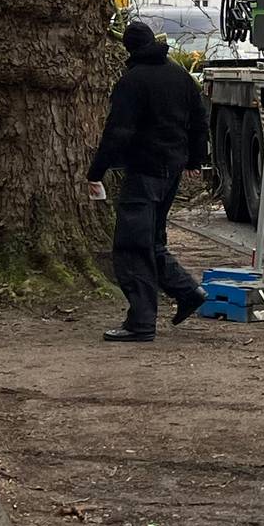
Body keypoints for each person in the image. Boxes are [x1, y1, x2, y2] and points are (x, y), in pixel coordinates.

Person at [88, 22, 208, 342]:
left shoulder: (133, 81)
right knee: (152, 239)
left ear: (128, 48)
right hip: (172, 170)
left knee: (132, 246)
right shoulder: (181, 76)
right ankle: (187, 292)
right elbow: (199, 121)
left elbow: (118, 132)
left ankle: (141, 321)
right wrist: (195, 159)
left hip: (143, 171)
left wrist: (96, 172)